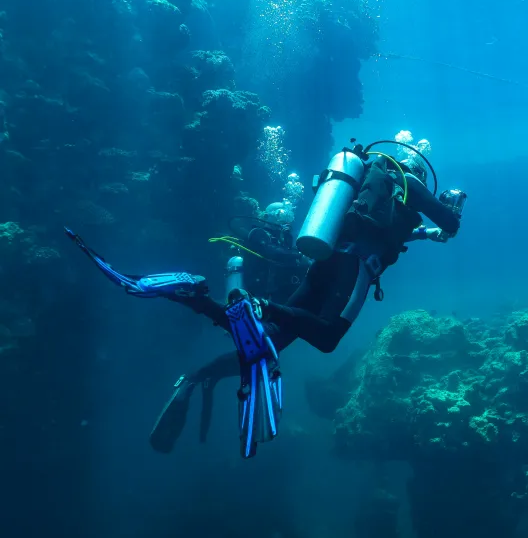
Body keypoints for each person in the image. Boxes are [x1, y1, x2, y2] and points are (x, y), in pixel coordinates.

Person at [66, 137, 466, 458]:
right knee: (326, 338)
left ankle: (196, 297)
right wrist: (449, 212)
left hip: (324, 264)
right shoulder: (410, 185)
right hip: (354, 270)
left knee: (269, 340)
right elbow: (448, 223)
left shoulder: (372, 187)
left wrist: (425, 233)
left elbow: (395, 232)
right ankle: (261, 306)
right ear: (417, 169)